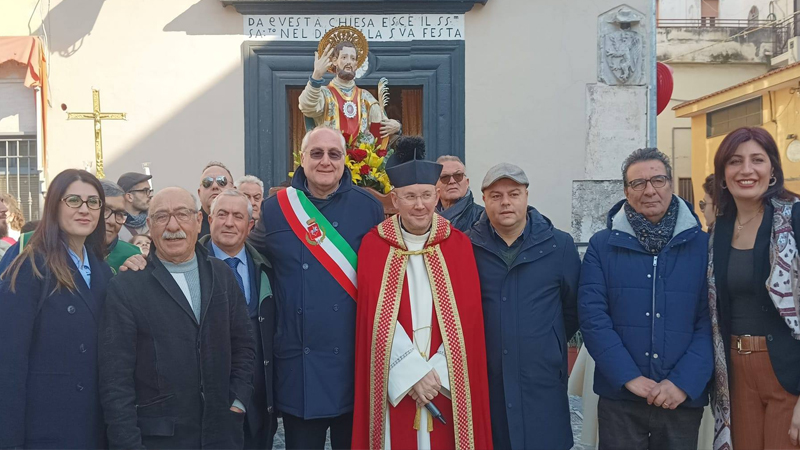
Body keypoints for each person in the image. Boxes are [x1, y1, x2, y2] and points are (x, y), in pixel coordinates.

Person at [352, 136, 493, 450]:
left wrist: (435, 374)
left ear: (437, 195)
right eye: (410, 196)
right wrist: (411, 372)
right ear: (395, 199)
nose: (419, 204)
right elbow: (373, 317)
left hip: (444, 381)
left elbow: (469, 319)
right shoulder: (374, 246)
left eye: (427, 195)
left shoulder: (458, 245)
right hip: (395, 379)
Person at [248, 126, 384, 450]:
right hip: (300, 366)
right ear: (302, 159)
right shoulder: (276, 208)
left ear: (346, 161)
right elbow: (241, 253)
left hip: (352, 365)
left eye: (334, 154)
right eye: (317, 153)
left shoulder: (369, 208)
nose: (325, 161)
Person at [99, 187, 255, 450]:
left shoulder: (222, 275)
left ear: (198, 221)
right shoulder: (127, 286)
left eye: (182, 214)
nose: (173, 225)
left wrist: (238, 401)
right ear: (149, 225)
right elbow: (116, 381)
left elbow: (244, 345)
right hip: (159, 439)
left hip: (221, 434)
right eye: (161, 217)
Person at [579, 148, 713, 450]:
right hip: (621, 398)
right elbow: (593, 317)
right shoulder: (602, 246)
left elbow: (712, 321)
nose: (649, 190)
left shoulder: (704, 246)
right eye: (638, 183)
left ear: (671, 185)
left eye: (658, 180)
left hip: (680, 398)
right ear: (626, 191)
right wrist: (628, 377)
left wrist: (682, 382)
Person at [467, 162, 580, 450]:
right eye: (496, 195)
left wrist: (547, 343)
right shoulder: (467, 247)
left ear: (526, 196)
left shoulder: (559, 246)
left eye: (513, 194)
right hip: (488, 381)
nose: (505, 202)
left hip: (541, 381)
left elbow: (573, 308)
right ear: (484, 200)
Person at [0, 169, 113, 449]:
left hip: (92, 425)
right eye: (73, 200)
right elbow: (9, 362)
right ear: (54, 205)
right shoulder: (30, 266)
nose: (84, 209)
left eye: (93, 202)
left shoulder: (102, 269)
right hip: (45, 427)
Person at [706, 127, 800, 450]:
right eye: (735, 161)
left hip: (788, 373)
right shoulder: (718, 231)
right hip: (735, 373)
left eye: (757, 160)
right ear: (723, 174)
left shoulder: (795, 219)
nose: (746, 170)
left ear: (772, 169)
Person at [199, 189, 276, 449]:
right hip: (205, 405)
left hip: (257, 405)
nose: (229, 223)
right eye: (221, 214)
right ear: (209, 220)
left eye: (237, 216)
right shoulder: (188, 265)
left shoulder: (266, 267)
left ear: (250, 225)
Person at [1, 180, 141, 274]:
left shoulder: (133, 255)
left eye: (120, 214)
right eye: (105, 211)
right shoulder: (29, 243)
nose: (112, 221)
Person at [299, 28, 401, 146]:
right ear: (334, 61)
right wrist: (316, 76)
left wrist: (397, 126)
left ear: (356, 65)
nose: (349, 62)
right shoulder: (323, 94)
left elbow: (380, 129)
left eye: (353, 59)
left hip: (361, 162)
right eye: (344, 57)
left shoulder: (366, 97)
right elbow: (307, 106)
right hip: (331, 159)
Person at [434, 155, 484, 232]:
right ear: (435, 185)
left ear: (467, 182)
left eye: (458, 176)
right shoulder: (425, 218)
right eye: (445, 177)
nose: (452, 181)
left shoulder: (482, 217)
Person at [198, 161, 235, 238]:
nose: (215, 186)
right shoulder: (190, 226)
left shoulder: (244, 224)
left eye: (222, 181)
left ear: (234, 190)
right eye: (207, 182)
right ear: (199, 193)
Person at [117, 171, 153, 241]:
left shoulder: (153, 221)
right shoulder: (115, 227)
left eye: (149, 190)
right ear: (129, 197)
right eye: (145, 191)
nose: (149, 195)